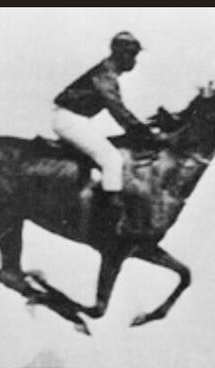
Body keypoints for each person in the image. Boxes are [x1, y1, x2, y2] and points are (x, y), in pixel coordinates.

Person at [52, 31, 154, 234]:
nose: (134, 60)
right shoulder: (105, 75)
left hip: (75, 119)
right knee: (112, 160)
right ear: (120, 53)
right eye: (132, 54)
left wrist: (139, 130)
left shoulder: (107, 72)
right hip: (69, 119)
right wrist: (141, 132)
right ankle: (107, 220)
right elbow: (117, 109)